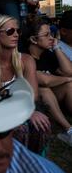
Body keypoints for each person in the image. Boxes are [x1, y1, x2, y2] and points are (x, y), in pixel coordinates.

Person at [0, 15, 51, 154]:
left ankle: (35, 166)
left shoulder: (26, 60)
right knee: (19, 130)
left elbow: (32, 96)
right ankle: (9, 168)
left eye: (18, 31)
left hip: (21, 108)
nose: (16, 34)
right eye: (10, 31)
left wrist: (30, 112)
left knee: (42, 125)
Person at [24, 16, 72, 146]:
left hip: (54, 100)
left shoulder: (47, 54)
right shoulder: (25, 57)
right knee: (43, 89)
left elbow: (69, 71)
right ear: (33, 39)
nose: (51, 38)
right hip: (35, 105)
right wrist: (67, 79)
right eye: (46, 35)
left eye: (51, 33)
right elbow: (44, 81)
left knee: (69, 85)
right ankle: (69, 130)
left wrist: (56, 48)